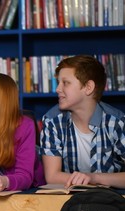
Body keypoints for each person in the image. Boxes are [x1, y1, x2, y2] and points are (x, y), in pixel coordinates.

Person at [40, 55, 125, 188]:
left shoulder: (117, 123)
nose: (58, 89)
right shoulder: (52, 121)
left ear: (88, 87)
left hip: (110, 201)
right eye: (58, 83)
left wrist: (93, 177)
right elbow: (52, 176)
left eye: (65, 83)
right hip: (69, 202)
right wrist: (86, 180)